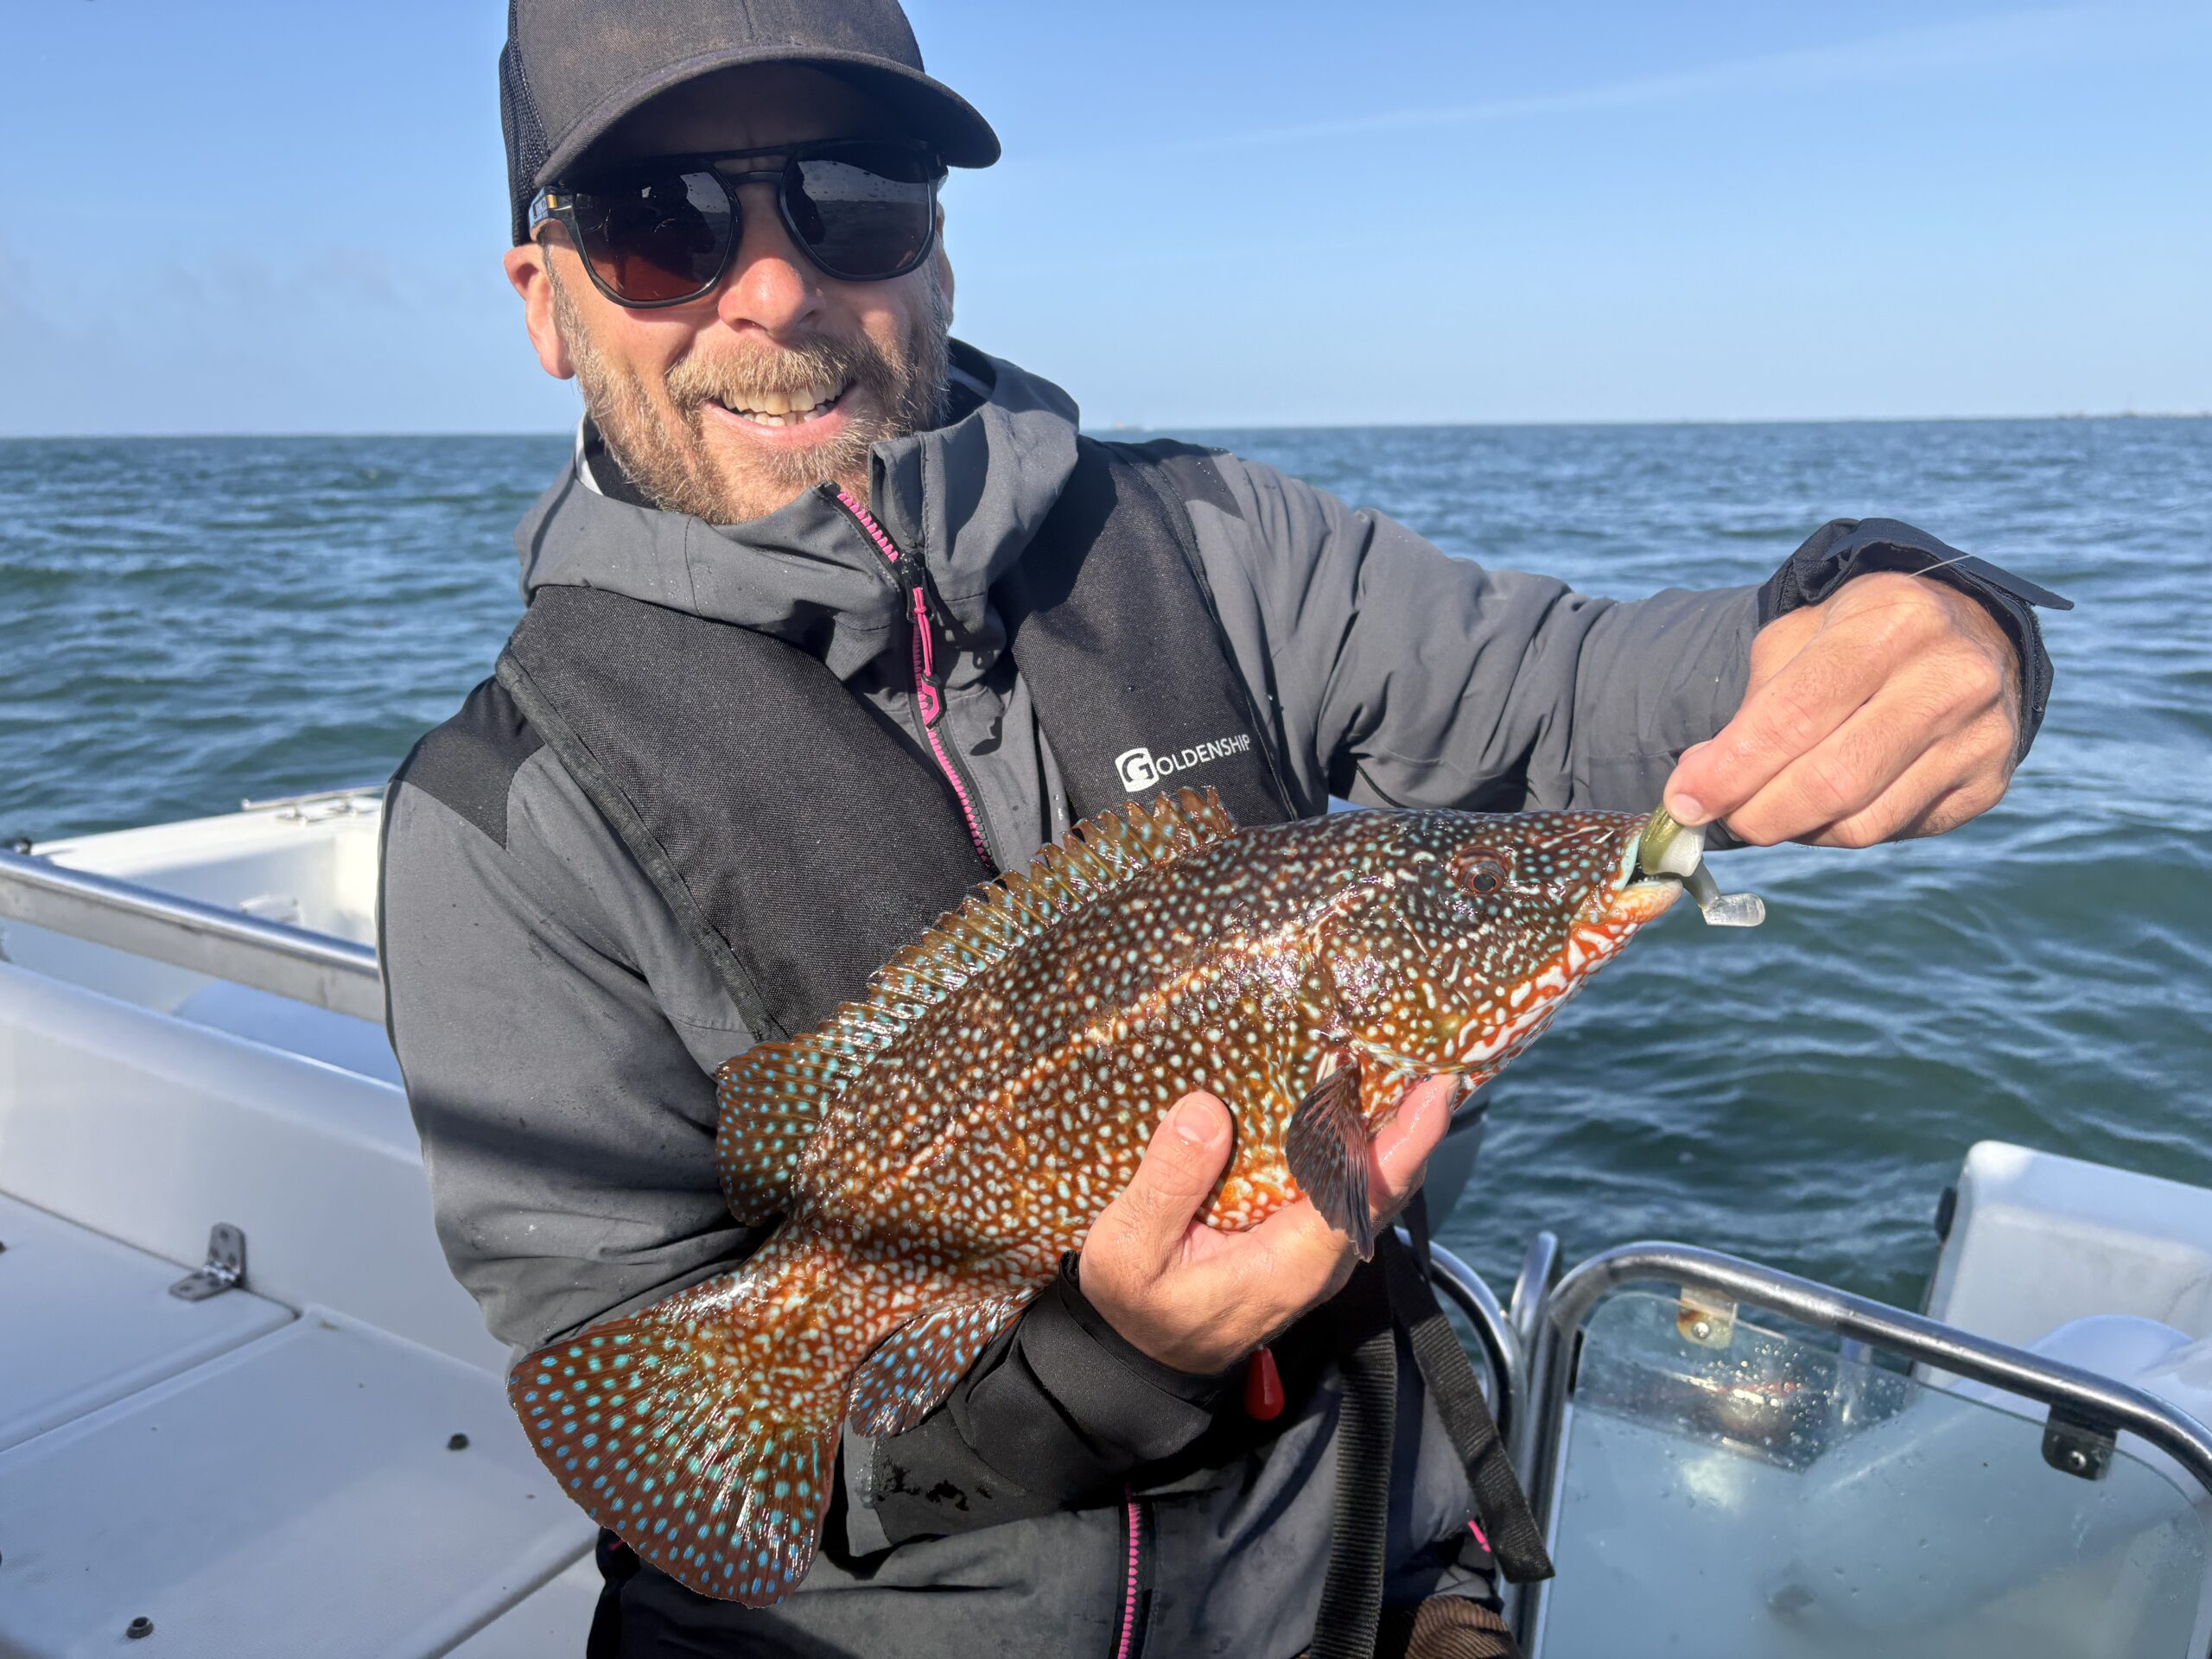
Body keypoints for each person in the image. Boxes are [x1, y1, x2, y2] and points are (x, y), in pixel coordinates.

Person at [378, 3, 2064, 1655]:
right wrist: (1112, 1360)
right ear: (545, 301)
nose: (771, 285)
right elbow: (732, 1492)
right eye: (655, 225)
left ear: (938, 251)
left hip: (1338, 1589)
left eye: (855, 196)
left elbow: (1577, 702)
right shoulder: (493, 821)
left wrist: (1896, 614)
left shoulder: (1212, 544)